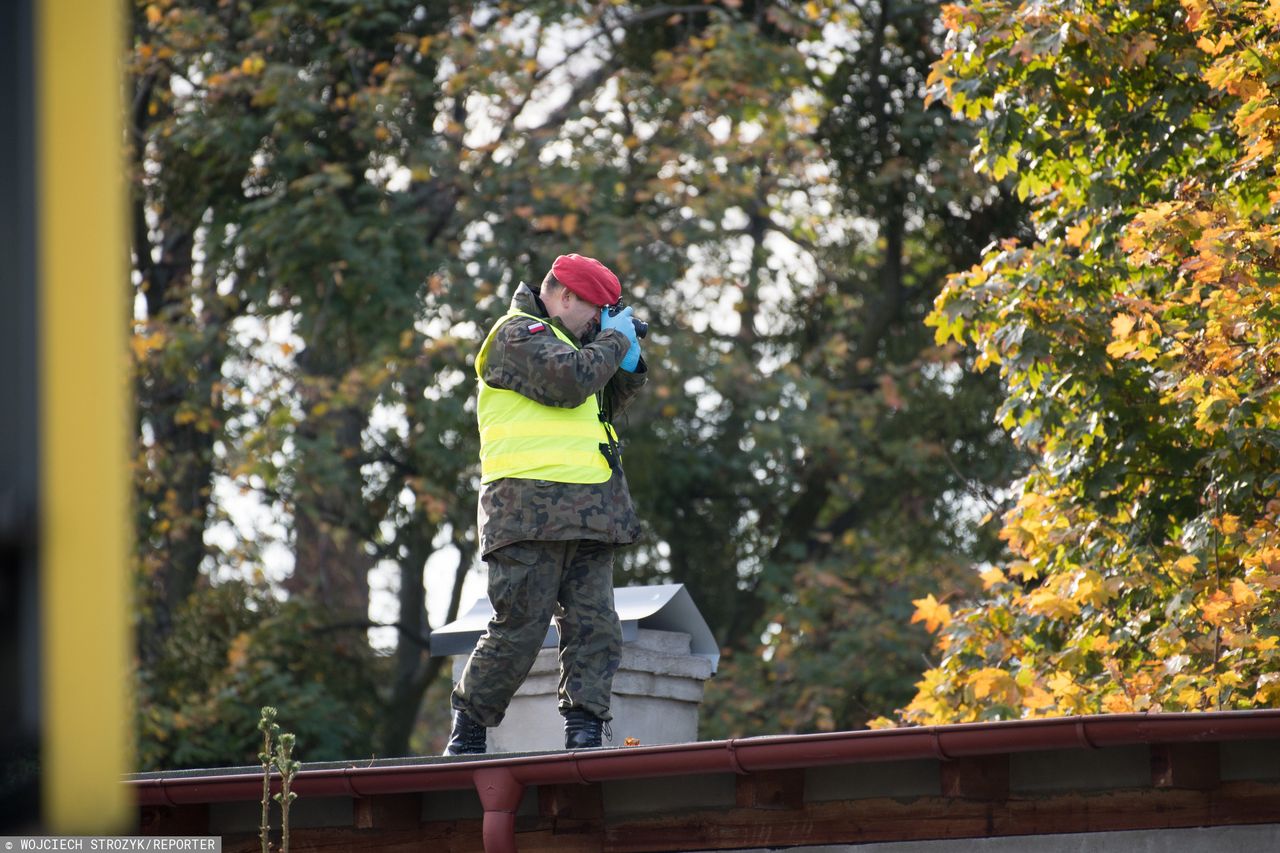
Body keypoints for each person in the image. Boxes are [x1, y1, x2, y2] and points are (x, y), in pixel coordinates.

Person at [444, 253, 648, 755]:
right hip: (528, 513)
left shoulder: (570, 341)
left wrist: (630, 363)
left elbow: (601, 401)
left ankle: (584, 730)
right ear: (565, 297)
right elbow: (570, 383)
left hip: (592, 513)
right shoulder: (515, 335)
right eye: (595, 310)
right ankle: (468, 733)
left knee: (596, 628)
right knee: (520, 629)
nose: (598, 322)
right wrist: (615, 338)